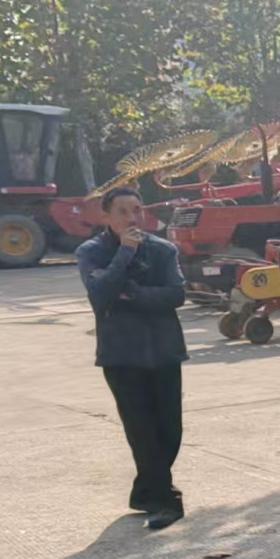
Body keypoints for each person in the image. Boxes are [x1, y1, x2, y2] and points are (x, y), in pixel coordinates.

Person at [77, 187, 188, 531]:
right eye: (123, 212)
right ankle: (164, 501)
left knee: (170, 429)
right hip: (121, 355)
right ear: (106, 216)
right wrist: (125, 253)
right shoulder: (91, 252)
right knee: (142, 431)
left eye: (136, 210)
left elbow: (176, 294)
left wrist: (134, 294)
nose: (132, 218)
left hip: (164, 350)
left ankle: (145, 491)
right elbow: (101, 293)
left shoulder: (163, 250)